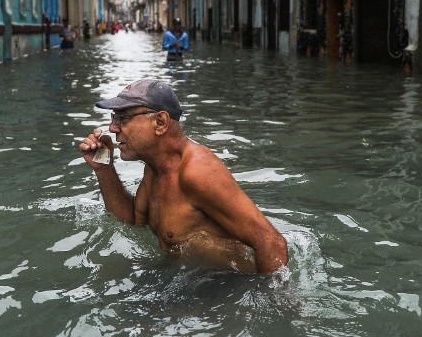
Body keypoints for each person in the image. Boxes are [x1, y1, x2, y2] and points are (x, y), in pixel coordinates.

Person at [77, 79, 288, 274]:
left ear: (160, 122)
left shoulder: (198, 172)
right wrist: (104, 168)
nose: (113, 128)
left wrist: (272, 306)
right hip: (189, 278)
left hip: (228, 287)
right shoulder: (154, 167)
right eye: (114, 118)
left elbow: (271, 243)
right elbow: (133, 220)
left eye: (123, 118)